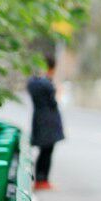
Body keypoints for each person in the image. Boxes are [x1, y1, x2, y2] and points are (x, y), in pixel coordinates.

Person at [27, 54, 65, 191]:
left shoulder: (32, 82)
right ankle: (42, 180)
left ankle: (40, 179)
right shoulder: (46, 84)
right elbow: (53, 102)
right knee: (47, 151)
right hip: (49, 120)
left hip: (38, 118)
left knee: (44, 151)